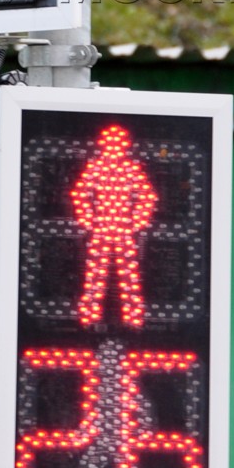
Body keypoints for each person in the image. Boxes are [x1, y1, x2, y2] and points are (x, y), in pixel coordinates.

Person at [70, 122, 158, 327]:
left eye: (117, 144)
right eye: (110, 143)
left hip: (121, 230)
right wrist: (89, 220)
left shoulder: (129, 169)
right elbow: (82, 194)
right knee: (97, 274)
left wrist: (135, 222)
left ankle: (133, 315)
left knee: (127, 274)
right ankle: (91, 315)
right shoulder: (98, 168)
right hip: (104, 229)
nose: (113, 147)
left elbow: (147, 196)